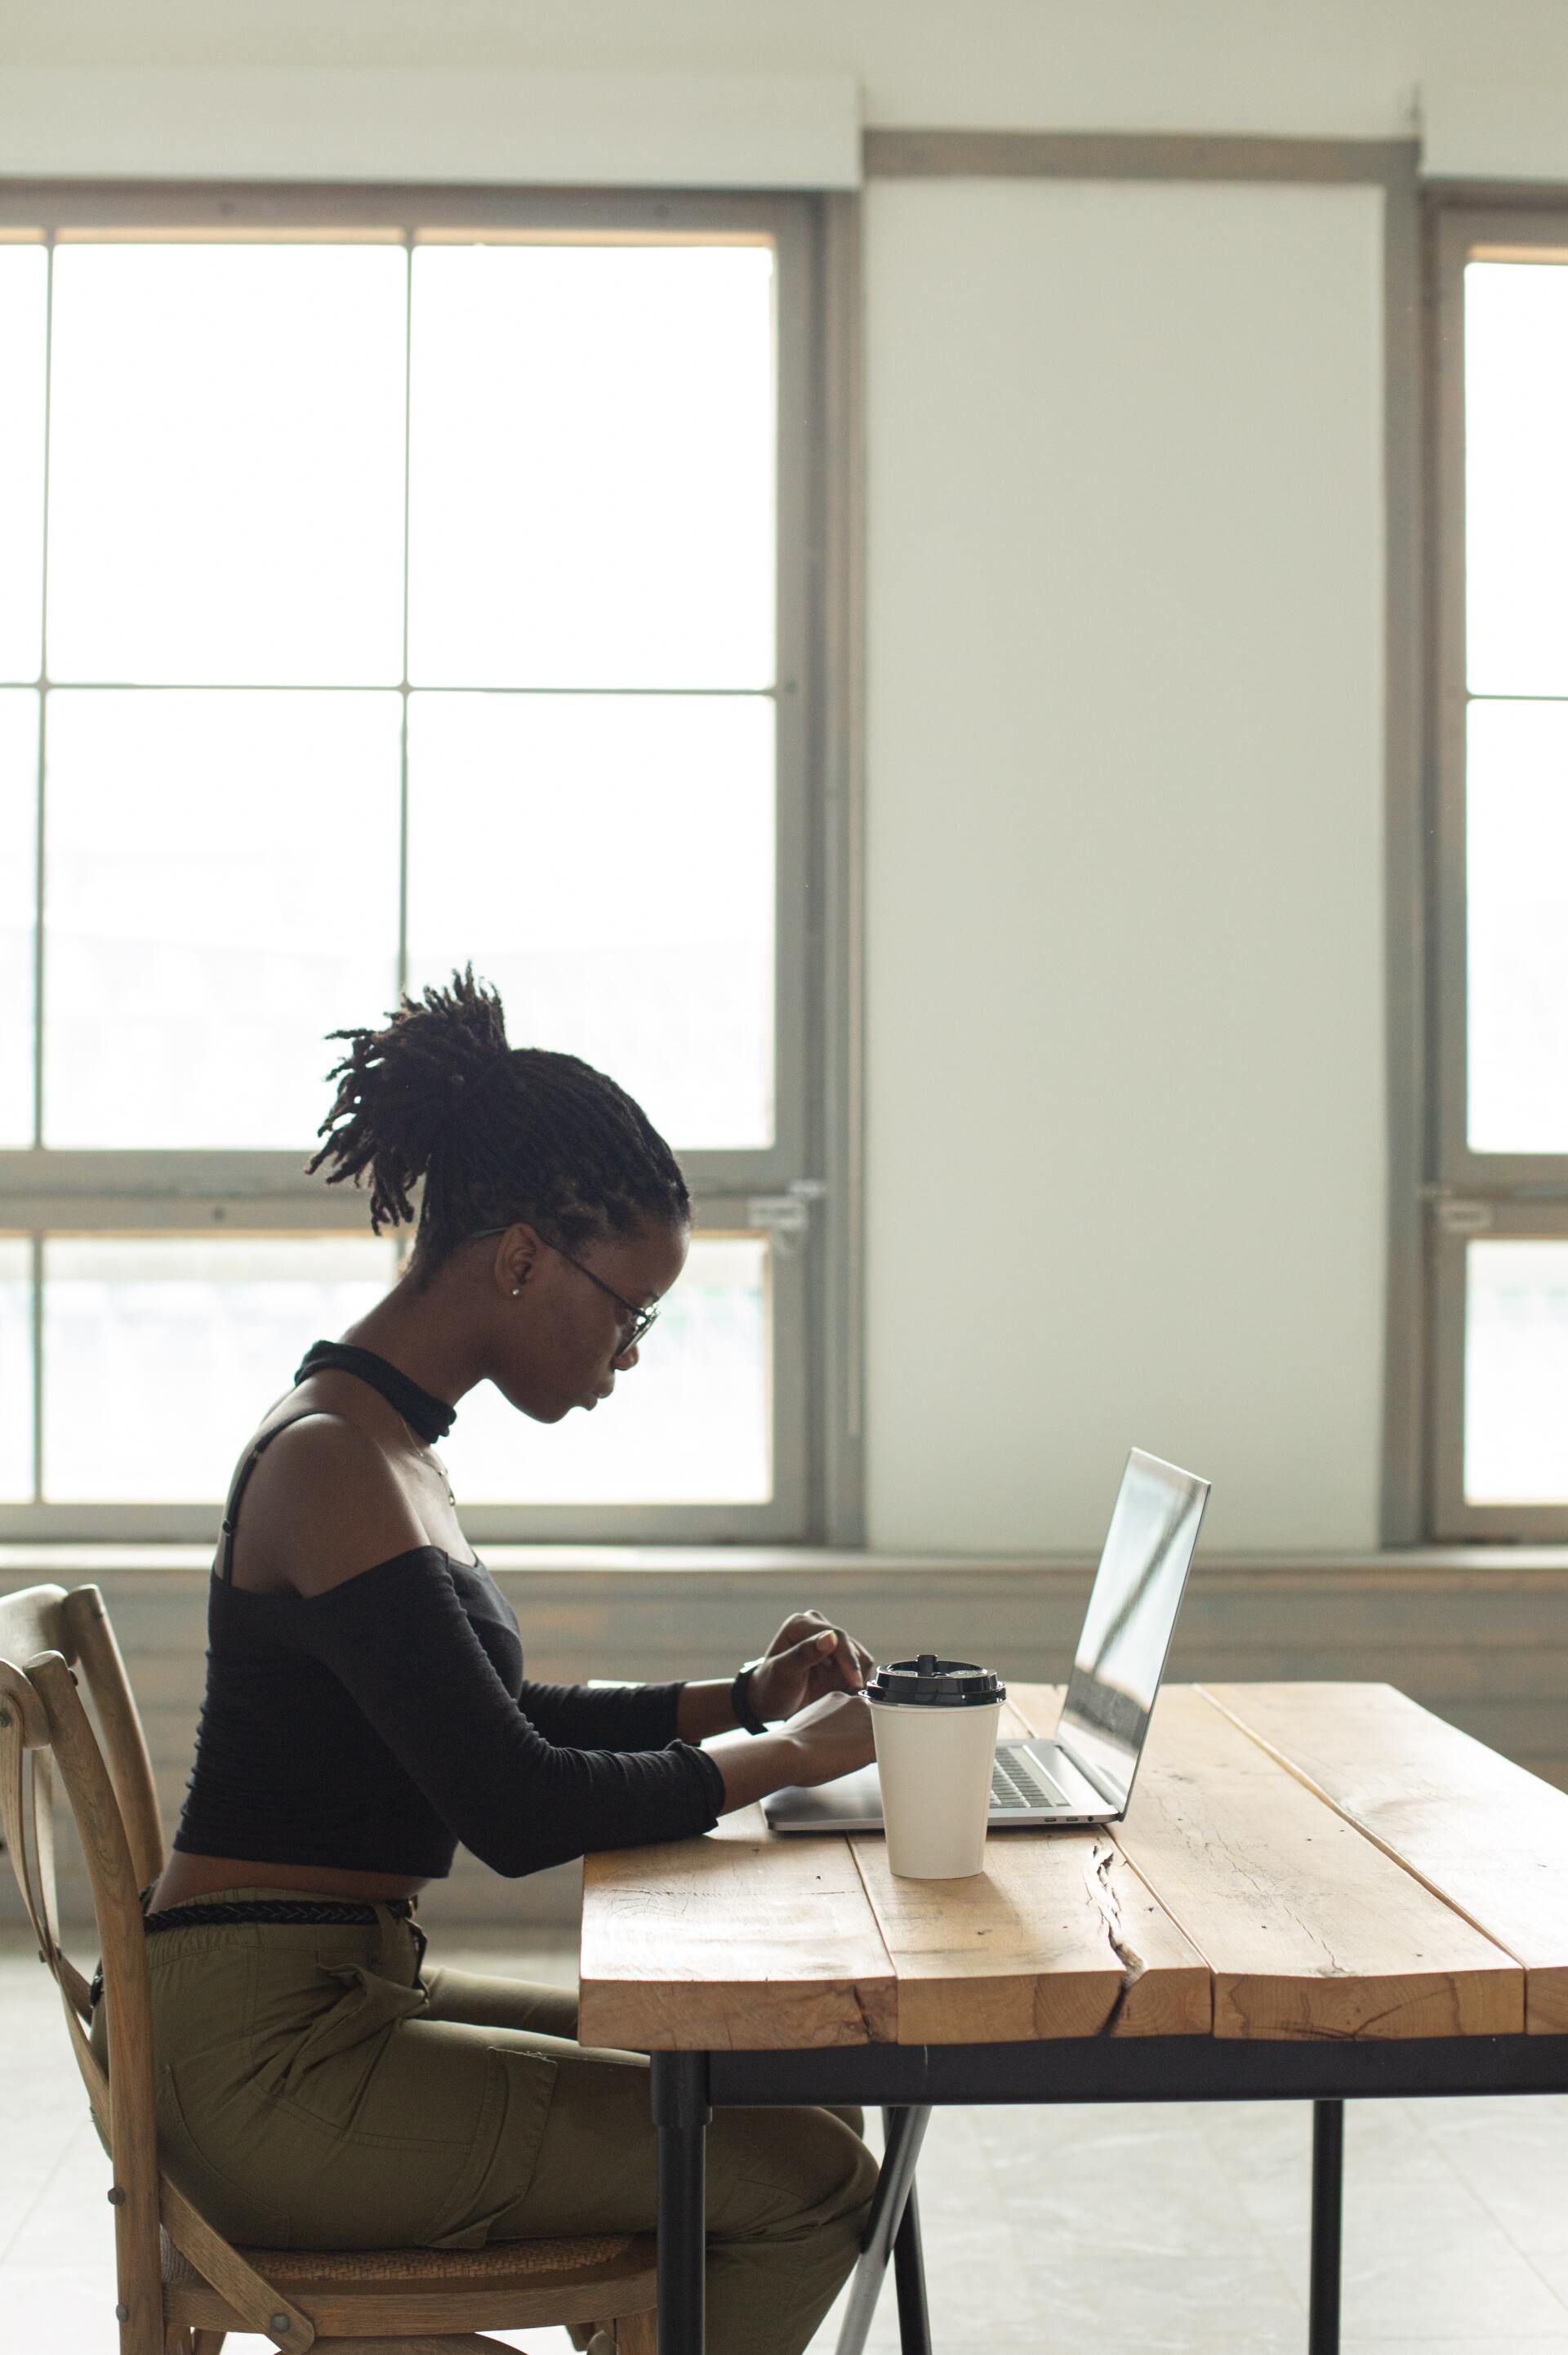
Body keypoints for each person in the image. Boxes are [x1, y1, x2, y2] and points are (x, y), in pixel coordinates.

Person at [96, 968, 880, 2355]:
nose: (630, 1354)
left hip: (322, 2003)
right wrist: (780, 1762)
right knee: (810, 2182)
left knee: (775, 2092)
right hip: (267, 2068)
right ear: (520, 1257)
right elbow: (513, 1811)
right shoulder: (338, 1462)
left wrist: (743, 1703)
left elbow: (491, 1718)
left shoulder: (383, 1442)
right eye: (630, 1310)